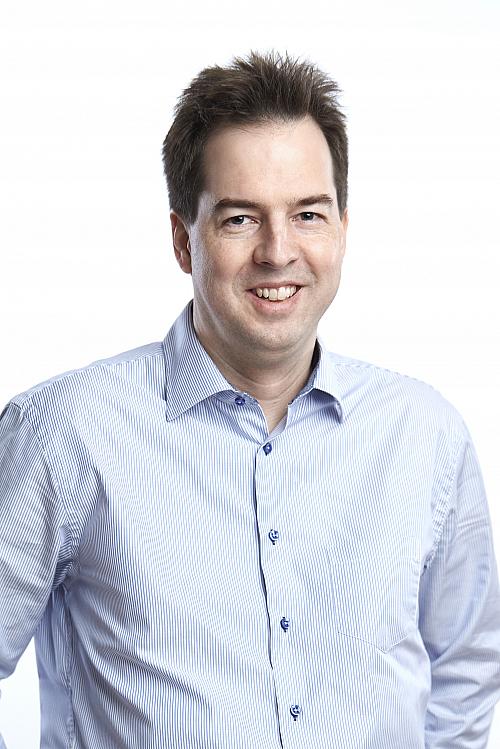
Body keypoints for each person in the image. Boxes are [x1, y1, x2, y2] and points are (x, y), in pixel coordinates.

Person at [1, 50, 499, 749]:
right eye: (240, 219)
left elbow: (465, 674)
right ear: (183, 240)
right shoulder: (63, 434)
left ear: (343, 230)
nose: (278, 250)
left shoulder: (426, 435)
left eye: (308, 214)